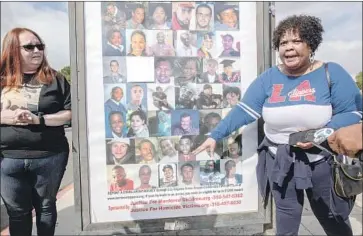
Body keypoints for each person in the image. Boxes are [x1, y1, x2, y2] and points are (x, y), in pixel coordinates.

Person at [193, 15, 362, 236]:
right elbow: (244, 110)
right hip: (280, 161)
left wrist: (319, 134)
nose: (289, 48)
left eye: (296, 41)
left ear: (311, 44)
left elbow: (353, 112)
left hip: (321, 163)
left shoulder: (332, 73)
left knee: (332, 218)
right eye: (283, 43)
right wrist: (215, 135)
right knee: (286, 220)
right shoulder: (269, 78)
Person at [0, 28, 71, 236]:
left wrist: (38, 119)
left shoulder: (56, 79)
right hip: (7, 159)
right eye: (29, 46)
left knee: (46, 207)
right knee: (17, 212)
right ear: (13, 49)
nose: (37, 50)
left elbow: (70, 112)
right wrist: (8, 117)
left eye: (40, 46)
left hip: (49, 156)